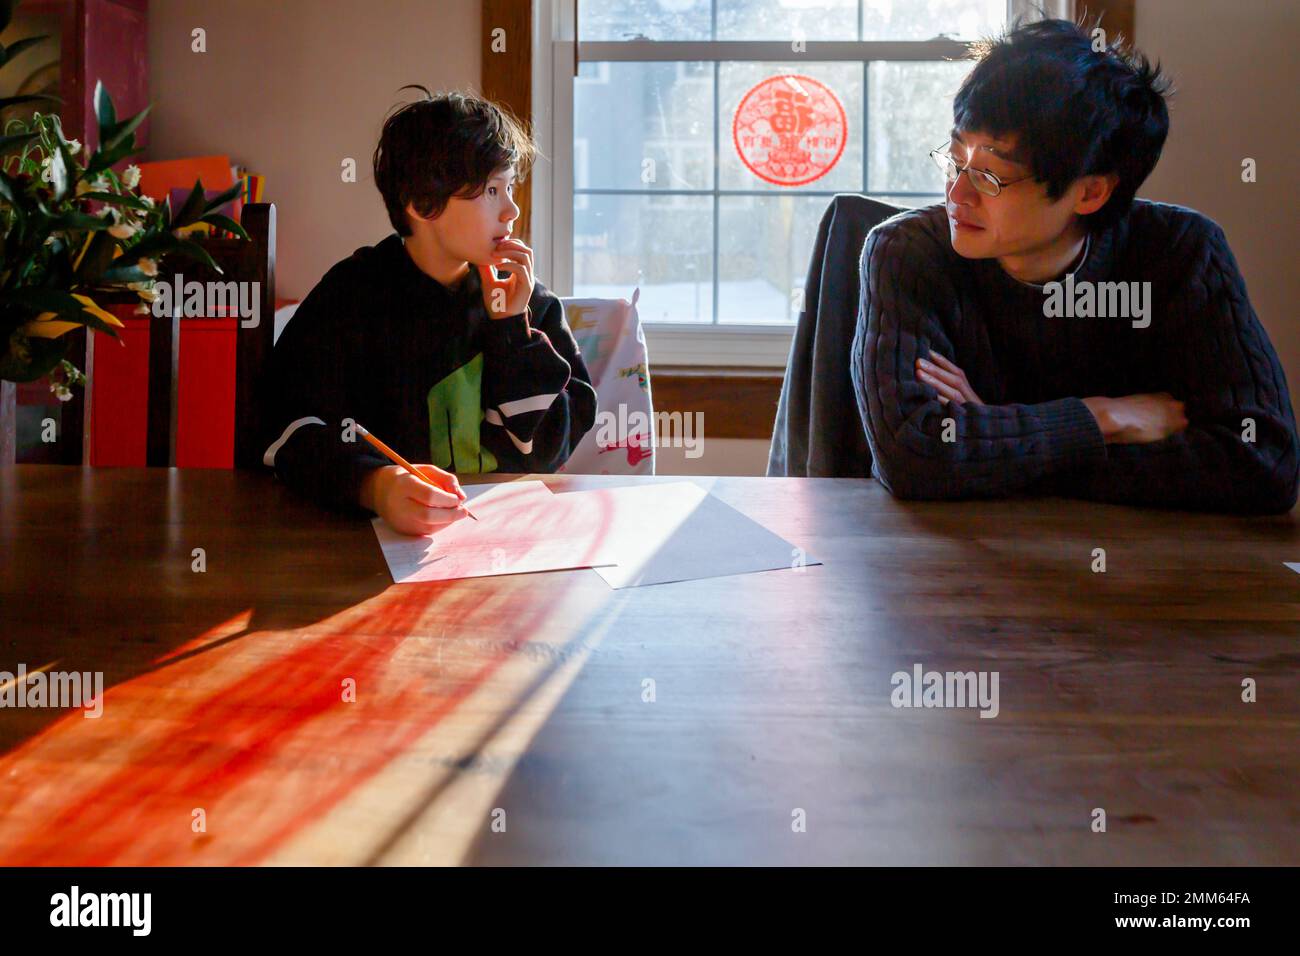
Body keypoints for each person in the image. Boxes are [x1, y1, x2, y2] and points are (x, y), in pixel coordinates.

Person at [852, 19, 1298, 513]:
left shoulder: (1182, 252)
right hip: (958, 567)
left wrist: (1002, 440)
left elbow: (1265, 462)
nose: (957, 194)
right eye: (955, 160)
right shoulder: (907, 252)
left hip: (1141, 572)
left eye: (991, 178)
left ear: (1090, 192)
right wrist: (1102, 419)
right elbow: (913, 457)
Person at [262, 88, 596, 534]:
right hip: (373, 550)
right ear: (422, 204)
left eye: (511, 186)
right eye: (492, 190)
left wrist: (511, 330)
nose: (512, 210)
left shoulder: (529, 303)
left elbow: (546, 452)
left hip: (507, 540)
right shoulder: (354, 295)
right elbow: (284, 427)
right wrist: (374, 486)